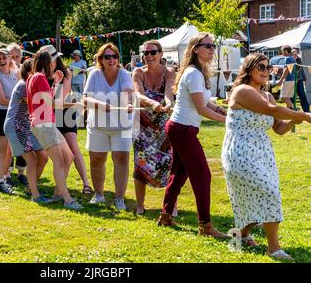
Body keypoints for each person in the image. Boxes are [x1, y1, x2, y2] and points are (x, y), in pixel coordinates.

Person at [222, 53, 311, 260]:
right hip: (240, 152)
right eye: (260, 67)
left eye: (268, 67)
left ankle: (242, 234)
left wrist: (293, 121)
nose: (265, 71)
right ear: (249, 69)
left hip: (262, 153)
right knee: (269, 192)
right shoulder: (242, 91)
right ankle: (273, 247)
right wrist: (304, 115)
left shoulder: (268, 95)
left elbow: (278, 128)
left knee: (257, 196)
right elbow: (271, 110)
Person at [157, 33, 228, 238]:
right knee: (203, 176)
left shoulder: (197, 72)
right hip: (182, 129)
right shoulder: (194, 74)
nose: (212, 49)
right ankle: (205, 226)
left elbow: (204, 102)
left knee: (179, 173)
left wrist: (220, 108)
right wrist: (226, 121)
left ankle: (166, 215)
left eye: (213, 45)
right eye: (207, 46)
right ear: (195, 49)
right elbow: (200, 109)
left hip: (180, 128)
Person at [27, 48, 82, 210]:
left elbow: (47, 99)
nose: (55, 65)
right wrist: (76, 104)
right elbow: (51, 103)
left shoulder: (35, 77)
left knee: (69, 157)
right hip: (43, 124)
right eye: (54, 61)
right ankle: (67, 199)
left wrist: (57, 83)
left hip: (46, 123)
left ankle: (59, 193)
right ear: (48, 62)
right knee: (59, 161)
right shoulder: (39, 77)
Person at [83, 43, 134, 210]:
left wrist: (128, 103)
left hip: (121, 126)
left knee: (121, 158)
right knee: (97, 159)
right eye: (107, 57)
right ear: (101, 60)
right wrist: (99, 104)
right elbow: (85, 99)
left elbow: (128, 91)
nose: (111, 59)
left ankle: (119, 198)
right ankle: (99, 195)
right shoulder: (94, 75)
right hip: (97, 125)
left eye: (114, 56)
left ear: (118, 59)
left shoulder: (125, 74)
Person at [132, 40, 176, 215]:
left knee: (168, 162)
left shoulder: (169, 72)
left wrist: (168, 103)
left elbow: (168, 94)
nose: (149, 56)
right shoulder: (137, 72)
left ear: (161, 54)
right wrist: (152, 104)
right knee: (140, 165)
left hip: (163, 125)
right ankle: (140, 206)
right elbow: (138, 94)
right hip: (142, 126)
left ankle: (171, 206)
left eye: (153, 52)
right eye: (146, 53)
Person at [4, 58, 50, 202]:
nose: (41, 72)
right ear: (31, 71)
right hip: (16, 126)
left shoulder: (30, 83)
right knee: (32, 160)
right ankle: (35, 195)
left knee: (43, 157)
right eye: (38, 69)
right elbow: (38, 104)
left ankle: (32, 187)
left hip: (25, 126)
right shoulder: (24, 85)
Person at [52, 54, 92, 195]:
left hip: (65, 113)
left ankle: (86, 184)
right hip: (49, 115)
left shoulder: (66, 72)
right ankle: (57, 187)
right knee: (56, 154)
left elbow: (60, 98)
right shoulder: (42, 74)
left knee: (74, 149)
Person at [0, 48, 20, 191]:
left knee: (10, 150)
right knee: (0, 151)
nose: (1, 61)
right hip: (0, 114)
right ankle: (0, 182)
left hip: (13, 114)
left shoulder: (16, 74)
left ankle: (5, 177)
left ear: (10, 58)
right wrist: (21, 103)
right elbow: (2, 100)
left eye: (4, 57)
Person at [7, 43, 28, 178]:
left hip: (23, 112)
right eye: (12, 56)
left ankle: (21, 172)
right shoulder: (3, 70)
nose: (14, 59)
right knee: (8, 143)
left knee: (23, 141)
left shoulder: (24, 71)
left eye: (17, 56)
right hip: (8, 110)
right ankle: (7, 172)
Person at [277, 45, 297, 109]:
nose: (282, 52)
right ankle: (289, 115)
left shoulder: (288, 58)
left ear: (285, 51)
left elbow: (287, 70)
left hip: (288, 80)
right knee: (287, 98)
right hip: (293, 80)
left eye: (282, 51)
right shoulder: (292, 58)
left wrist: (280, 80)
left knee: (284, 98)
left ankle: (295, 109)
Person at [291, 48, 309, 112]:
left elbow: (301, 69)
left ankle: (307, 110)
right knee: (292, 96)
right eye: (293, 54)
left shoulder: (299, 60)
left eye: (296, 54)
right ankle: (292, 110)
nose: (295, 55)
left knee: (302, 94)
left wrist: (304, 77)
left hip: (300, 79)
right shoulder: (290, 60)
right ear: (291, 54)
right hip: (292, 80)